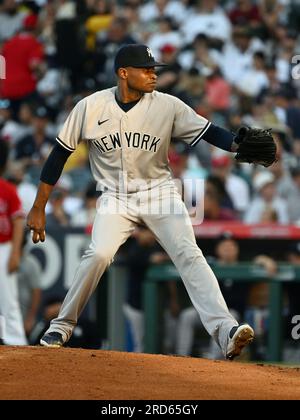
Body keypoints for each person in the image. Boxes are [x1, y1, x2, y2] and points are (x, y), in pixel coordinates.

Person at [27, 44, 255, 359]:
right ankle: (61, 326)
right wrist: (39, 207)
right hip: (115, 196)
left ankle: (225, 330)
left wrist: (238, 144)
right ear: (123, 73)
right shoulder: (90, 107)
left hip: (159, 192)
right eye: (146, 69)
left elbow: (210, 132)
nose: (153, 74)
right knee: (99, 254)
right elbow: (58, 157)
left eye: (154, 69)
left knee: (189, 254)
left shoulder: (167, 105)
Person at [0, 139, 27, 345]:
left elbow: (19, 221)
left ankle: (16, 341)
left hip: (4, 247)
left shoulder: (8, 189)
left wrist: (15, 252)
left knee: (8, 297)